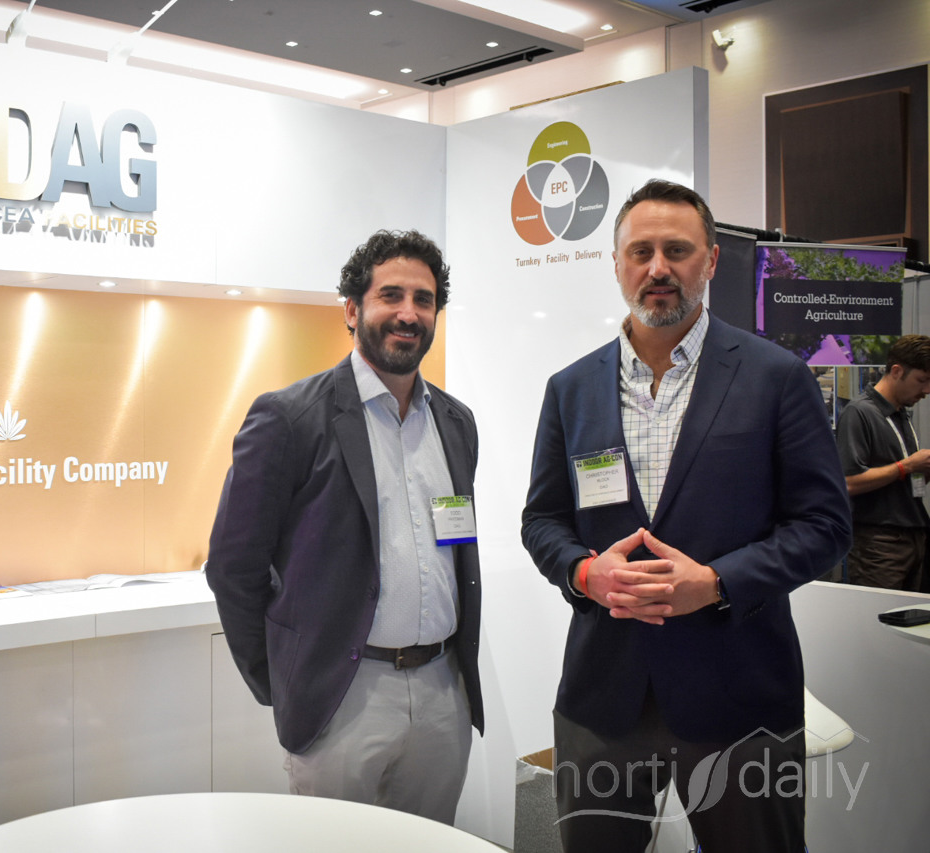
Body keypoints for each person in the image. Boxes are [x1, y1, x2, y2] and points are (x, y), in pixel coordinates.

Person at [520, 179, 851, 852]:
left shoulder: (776, 377)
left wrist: (718, 582)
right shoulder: (571, 388)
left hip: (740, 696)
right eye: (640, 251)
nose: (658, 268)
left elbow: (825, 526)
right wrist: (584, 573)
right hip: (603, 696)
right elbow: (543, 520)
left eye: (677, 250)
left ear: (711, 260)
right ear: (617, 263)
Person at [206, 229, 483, 824]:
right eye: (391, 295)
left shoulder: (456, 422)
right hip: (343, 696)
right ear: (353, 310)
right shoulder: (290, 418)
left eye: (424, 299)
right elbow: (232, 567)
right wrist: (285, 680)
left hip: (443, 692)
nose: (408, 313)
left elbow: (456, 547)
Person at [836, 334, 930, 590]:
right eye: (922, 380)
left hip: (914, 536)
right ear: (897, 371)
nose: (926, 390)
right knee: (879, 613)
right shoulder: (859, 413)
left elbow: (901, 480)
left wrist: (921, 471)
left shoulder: (901, 414)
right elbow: (847, 483)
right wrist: (906, 467)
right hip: (879, 544)